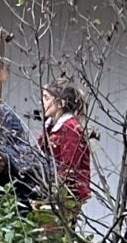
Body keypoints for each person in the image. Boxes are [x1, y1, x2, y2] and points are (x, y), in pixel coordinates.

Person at [39, 74, 93, 218]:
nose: (42, 102)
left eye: (46, 98)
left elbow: (70, 168)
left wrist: (55, 192)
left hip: (66, 195)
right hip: (49, 189)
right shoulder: (50, 126)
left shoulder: (71, 129)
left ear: (61, 103)